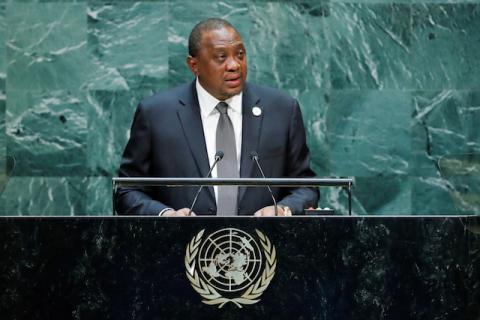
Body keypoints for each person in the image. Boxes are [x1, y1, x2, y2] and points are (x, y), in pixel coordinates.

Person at [115, 18, 318, 216]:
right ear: (194, 65)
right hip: (181, 246)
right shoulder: (157, 115)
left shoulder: (281, 110)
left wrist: (283, 209)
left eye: (240, 54)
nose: (234, 65)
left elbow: (306, 187)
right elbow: (127, 190)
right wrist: (165, 215)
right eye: (221, 57)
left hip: (263, 246)